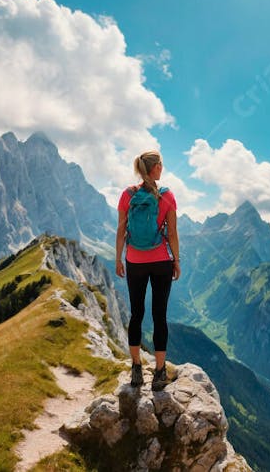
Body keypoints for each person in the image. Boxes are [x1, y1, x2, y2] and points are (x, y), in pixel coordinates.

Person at [115, 150, 181, 391]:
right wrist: (176, 260)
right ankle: (159, 373)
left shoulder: (127, 195)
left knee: (136, 314)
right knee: (159, 315)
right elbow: (172, 233)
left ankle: (136, 369)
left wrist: (119, 259)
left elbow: (121, 230)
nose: (162, 168)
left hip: (134, 260)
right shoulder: (167, 196)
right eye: (161, 165)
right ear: (155, 169)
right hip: (161, 261)